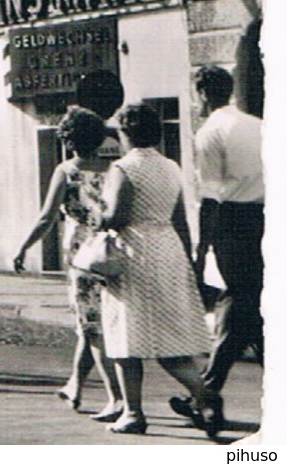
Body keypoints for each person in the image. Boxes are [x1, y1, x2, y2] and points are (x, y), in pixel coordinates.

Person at [97, 103, 218, 436]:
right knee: (171, 336)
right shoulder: (172, 167)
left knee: (125, 334)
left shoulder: (123, 168)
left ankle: (133, 412)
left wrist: (98, 215)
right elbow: (180, 218)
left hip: (135, 251)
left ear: (125, 133)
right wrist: (192, 258)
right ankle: (205, 396)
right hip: (168, 248)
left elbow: (118, 216)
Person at [13, 106, 122, 419]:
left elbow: (47, 216)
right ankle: (75, 385)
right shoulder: (115, 169)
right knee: (94, 324)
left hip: (83, 257)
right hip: (112, 251)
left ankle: (116, 399)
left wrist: (24, 247)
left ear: (69, 139)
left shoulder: (67, 171)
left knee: (91, 327)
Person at [171, 65, 263, 430]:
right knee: (248, 305)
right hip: (267, 219)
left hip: (233, 221)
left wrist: (200, 249)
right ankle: (206, 395)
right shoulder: (257, 125)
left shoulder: (210, 132)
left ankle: (207, 395)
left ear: (204, 93)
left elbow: (210, 196)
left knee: (236, 302)